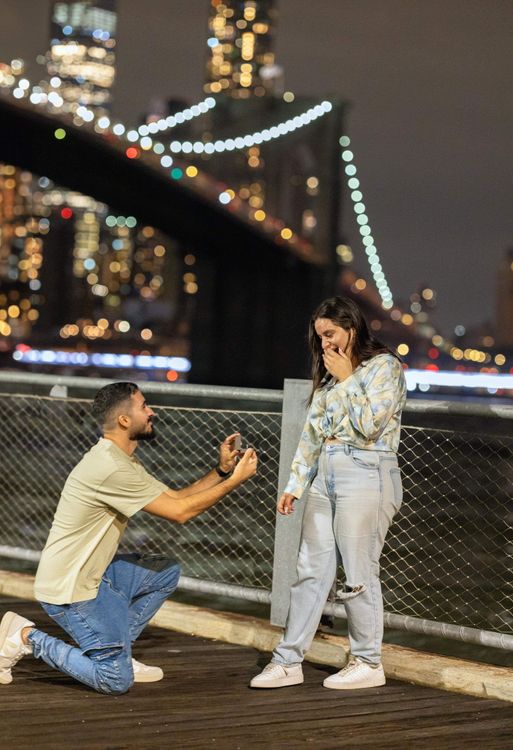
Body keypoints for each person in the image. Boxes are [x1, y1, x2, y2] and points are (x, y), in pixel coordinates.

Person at [0, 381, 257, 694]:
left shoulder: (121, 460)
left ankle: (119, 650)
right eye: (144, 406)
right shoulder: (109, 467)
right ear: (124, 420)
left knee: (165, 571)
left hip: (92, 575)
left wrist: (221, 471)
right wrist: (236, 482)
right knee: (114, 681)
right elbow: (180, 513)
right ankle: (23, 636)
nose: (152, 412)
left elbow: (175, 498)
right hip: (68, 589)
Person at [251, 296, 406, 690]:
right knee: (309, 573)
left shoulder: (384, 367)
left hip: (368, 470)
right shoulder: (330, 378)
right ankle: (288, 661)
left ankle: (368, 661)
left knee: (357, 574)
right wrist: (295, 483)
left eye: (331, 334)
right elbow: (312, 433)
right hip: (326, 473)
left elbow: (371, 425)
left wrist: (350, 377)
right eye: (319, 337)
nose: (324, 344)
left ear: (352, 329)